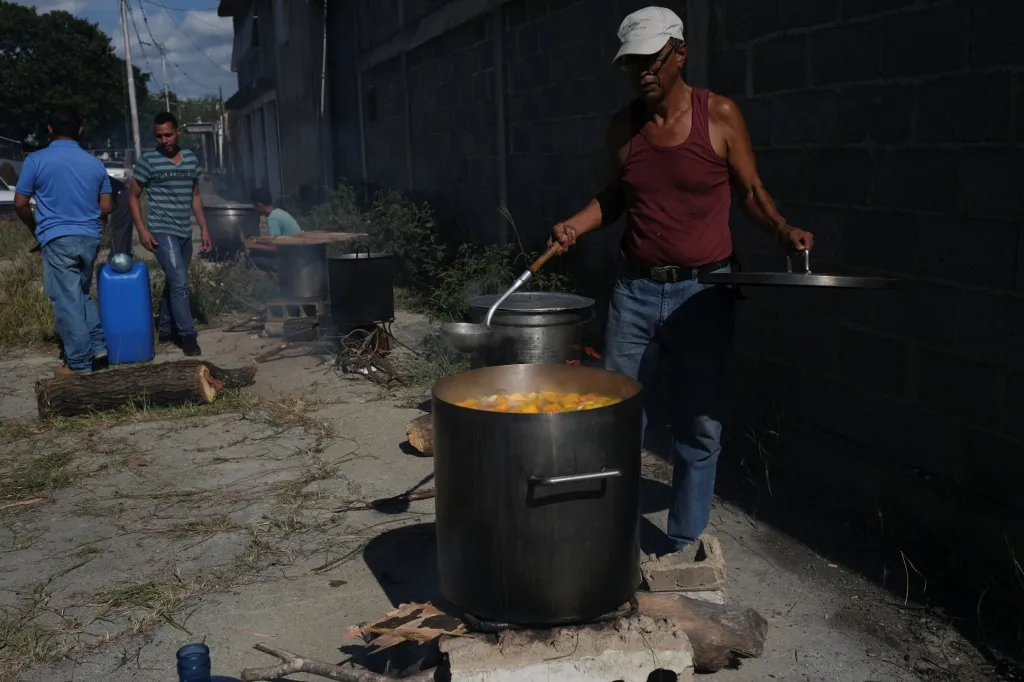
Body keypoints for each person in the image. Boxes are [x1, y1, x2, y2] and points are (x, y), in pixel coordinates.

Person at [548, 7, 815, 554]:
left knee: (699, 422)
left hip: (704, 293)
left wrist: (782, 229)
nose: (642, 71)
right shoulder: (624, 128)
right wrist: (576, 224)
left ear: (679, 54)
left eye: (651, 59)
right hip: (634, 291)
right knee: (615, 417)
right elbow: (616, 197)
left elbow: (750, 192)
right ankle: (607, 536)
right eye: (632, 64)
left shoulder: (718, 115)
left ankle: (682, 542)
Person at [14, 110, 113, 375]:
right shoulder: (94, 163)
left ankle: (79, 365)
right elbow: (106, 205)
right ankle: (98, 347)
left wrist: (35, 228)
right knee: (80, 294)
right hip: (89, 238)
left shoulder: (36, 160)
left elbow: (20, 203)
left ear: (49, 129)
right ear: (79, 130)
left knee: (66, 302)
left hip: (57, 238)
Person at [128, 112, 212, 357]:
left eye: (168, 134)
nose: (164, 140)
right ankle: (188, 336)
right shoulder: (148, 161)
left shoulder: (190, 159)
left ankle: (164, 329)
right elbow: (132, 196)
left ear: (178, 133)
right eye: (159, 136)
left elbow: (195, 196)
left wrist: (204, 228)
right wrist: (142, 229)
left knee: (176, 282)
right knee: (180, 283)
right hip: (162, 231)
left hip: (184, 232)